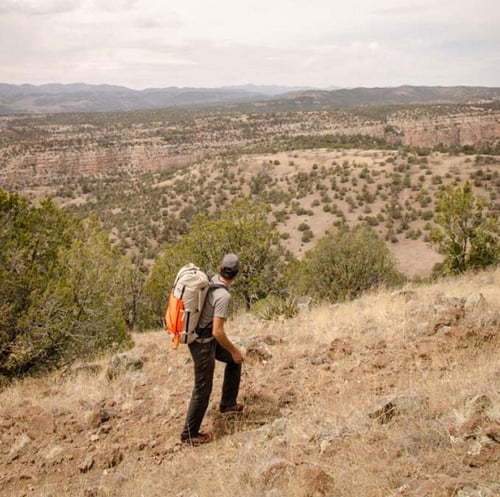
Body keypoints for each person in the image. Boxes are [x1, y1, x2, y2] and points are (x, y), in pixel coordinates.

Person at [180, 253, 245, 445]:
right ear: (236, 273)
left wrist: (234, 354)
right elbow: (218, 331)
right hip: (203, 344)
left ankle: (228, 404)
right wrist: (234, 349)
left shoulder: (211, 280)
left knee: (235, 361)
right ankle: (189, 434)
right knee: (202, 389)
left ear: (220, 268)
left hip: (202, 338)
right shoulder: (223, 296)